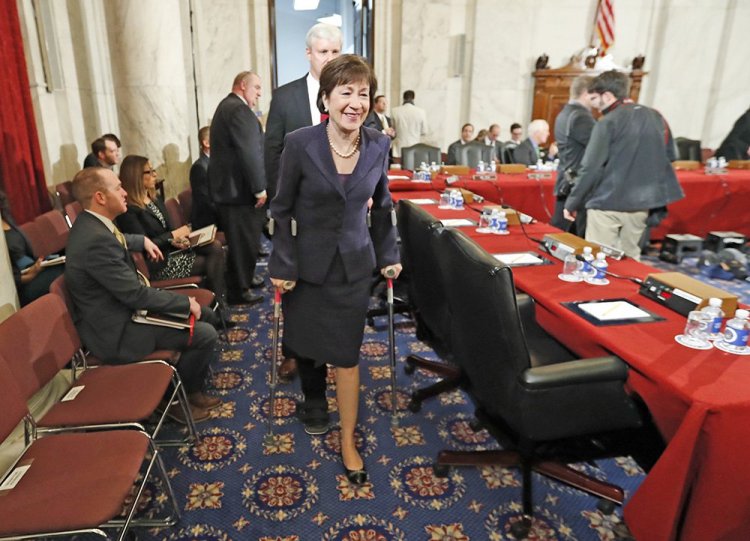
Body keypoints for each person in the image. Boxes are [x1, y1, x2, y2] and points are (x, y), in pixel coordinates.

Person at [268, 54, 401, 485]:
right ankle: (313, 400)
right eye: (346, 92)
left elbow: (382, 209)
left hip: (353, 269)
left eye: (363, 94)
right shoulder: (300, 142)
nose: (355, 102)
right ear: (326, 97)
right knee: (306, 346)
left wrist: (388, 255)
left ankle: (347, 439)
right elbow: (282, 209)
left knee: (347, 355)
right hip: (306, 268)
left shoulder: (379, 144)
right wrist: (282, 263)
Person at [65, 167, 221, 422]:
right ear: (100, 197)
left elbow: (116, 239)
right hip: (118, 331)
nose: (125, 192)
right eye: (118, 187)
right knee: (204, 332)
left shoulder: (90, 224)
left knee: (202, 318)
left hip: (123, 312)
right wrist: (184, 303)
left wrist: (140, 240)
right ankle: (169, 401)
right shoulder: (94, 240)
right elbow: (135, 295)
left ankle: (189, 391)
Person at [563, 70, 684, 260]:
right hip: (642, 203)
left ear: (608, 95)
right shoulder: (656, 116)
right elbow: (672, 155)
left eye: (595, 99)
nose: (594, 105)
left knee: (597, 257)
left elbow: (591, 168)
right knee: (631, 258)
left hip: (606, 202)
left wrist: (573, 202)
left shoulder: (608, 122)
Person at [115, 155, 226, 304]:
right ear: (135, 176)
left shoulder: (154, 198)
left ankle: (218, 302)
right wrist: (174, 234)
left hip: (171, 250)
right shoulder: (128, 210)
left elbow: (166, 231)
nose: (155, 175)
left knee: (214, 246)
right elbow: (144, 244)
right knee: (212, 259)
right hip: (158, 263)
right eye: (150, 171)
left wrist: (178, 240)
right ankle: (217, 304)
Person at [265, 23, 342, 201]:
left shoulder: (352, 96)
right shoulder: (284, 97)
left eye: (335, 52)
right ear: (309, 53)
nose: (330, 59)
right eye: (323, 52)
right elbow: (272, 153)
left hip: (347, 201)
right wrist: (279, 198)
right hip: (301, 201)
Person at [208, 71, 266, 305]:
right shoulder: (238, 109)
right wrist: (259, 188)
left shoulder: (227, 107)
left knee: (245, 240)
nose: (260, 93)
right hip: (238, 192)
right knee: (243, 241)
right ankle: (239, 290)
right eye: (257, 88)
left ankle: (246, 279)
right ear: (243, 85)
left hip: (231, 191)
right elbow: (249, 152)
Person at [1, 190, 64, 306]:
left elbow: (26, 255)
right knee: (64, 272)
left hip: (32, 269)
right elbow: (8, 280)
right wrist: (32, 274)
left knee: (67, 263)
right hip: (22, 287)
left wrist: (39, 264)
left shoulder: (6, 219)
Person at [551, 75, 596, 234]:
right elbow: (598, 150)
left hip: (566, 179)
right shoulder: (582, 117)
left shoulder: (565, 113)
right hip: (577, 185)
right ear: (585, 93)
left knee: (561, 235)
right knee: (576, 239)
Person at [189, 126, 218, 229]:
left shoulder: (217, 162)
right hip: (208, 221)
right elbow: (206, 203)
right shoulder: (199, 168)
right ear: (207, 143)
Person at [391, 90, 427, 158]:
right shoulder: (421, 112)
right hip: (415, 147)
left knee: (399, 168)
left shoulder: (394, 111)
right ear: (413, 98)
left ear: (403, 98)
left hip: (399, 147)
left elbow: (393, 130)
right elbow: (424, 131)